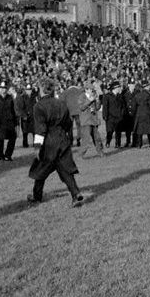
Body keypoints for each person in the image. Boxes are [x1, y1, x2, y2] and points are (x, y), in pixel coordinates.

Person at [28, 79, 85, 207]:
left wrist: (37, 147)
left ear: (41, 90)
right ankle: (76, 194)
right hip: (62, 139)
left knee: (40, 169)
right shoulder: (61, 103)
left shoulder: (39, 106)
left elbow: (40, 129)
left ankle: (37, 197)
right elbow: (68, 123)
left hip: (48, 142)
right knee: (65, 169)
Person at [0, 80, 18, 161]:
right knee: (0, 140)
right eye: (1, 88)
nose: (3, 89)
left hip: (9, 122)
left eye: (4, 88)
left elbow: (13, 110)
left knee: (13, 138)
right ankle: (1, 155)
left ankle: (8, 155)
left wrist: (15, 122)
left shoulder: (10, 97)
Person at [77, 80, 105, 157]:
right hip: (86, 121)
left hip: (94, 120)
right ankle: (81, 154)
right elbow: (81, 107)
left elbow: (97, 108)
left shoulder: (94, 95)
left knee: (97, 138)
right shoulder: (81, 96)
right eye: (91, 89)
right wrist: (90, 100)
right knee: (86, 139)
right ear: (86, 89)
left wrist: (98, 101)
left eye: (93, 90)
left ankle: (100, 152)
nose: (92, 91)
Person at [101, 81, 127, 148]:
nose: (120, 89)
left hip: (119, 117)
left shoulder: (120, 96)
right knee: (110, 131)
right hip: (110, 117)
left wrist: (122, 114)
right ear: (115, 88)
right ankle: (108, 141)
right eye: (119, 87)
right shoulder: (107, 96)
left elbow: (123, 106)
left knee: (118, 132)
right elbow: (105, 107)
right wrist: (105, 116)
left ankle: (118, 144)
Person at [132, 81, 150, 148]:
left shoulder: (137, 95)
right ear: (145, 87)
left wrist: (134, 114)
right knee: (149, 129)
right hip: (147, 113)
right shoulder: (148, 95)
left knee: (140, 130)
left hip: (139, 113)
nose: (149, 87)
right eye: (148, 86)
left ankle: (139, 144)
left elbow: (134, 106)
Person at [15, 84, 36, 148]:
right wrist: (24, 115)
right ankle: (25, 143)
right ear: (25, 90)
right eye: (27, 90)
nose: (29, 91)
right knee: (25, 131)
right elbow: (20, 107)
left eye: (30, 90)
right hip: (25, 117)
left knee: (34, 131)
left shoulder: (34, 97)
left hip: (33, 116)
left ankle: (35, 143)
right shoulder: (22, 97)